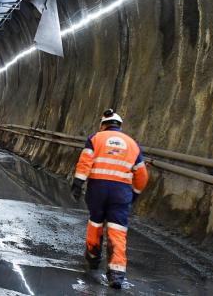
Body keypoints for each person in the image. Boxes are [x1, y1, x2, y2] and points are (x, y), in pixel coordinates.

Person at [71, 109, 149, 289]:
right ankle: (116, 273)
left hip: (97, 189)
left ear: (103, 125)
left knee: (96, 222)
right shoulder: (132, 144)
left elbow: (85, 162)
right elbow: (142, 174)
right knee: (117, 229)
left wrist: (78, 183)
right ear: (119, 126)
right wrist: (135, 193)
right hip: (121, 192)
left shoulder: (95, 138)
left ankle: (93, 257)